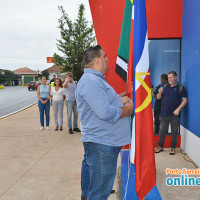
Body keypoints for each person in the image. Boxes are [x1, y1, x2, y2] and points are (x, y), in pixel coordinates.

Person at [76, 45, 133, 200]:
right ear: (97, 60)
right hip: (103, 143)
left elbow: (104, 102)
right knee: (100, 193)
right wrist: (128, 110)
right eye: (105, 56)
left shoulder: (94, 80)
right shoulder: (91, 81)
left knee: (93, 188)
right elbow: (106, 112)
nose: (108, 59)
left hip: (100, 142)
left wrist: (121, 99)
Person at [155, 71, 188, 155]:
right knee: (162, 131)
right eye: (169, 77)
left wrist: (178, 109)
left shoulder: (180, 87)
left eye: (171, 77)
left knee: (174, 131)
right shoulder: (164, 86)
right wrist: (159, 93)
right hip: (164, 113)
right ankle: (160, 147)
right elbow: (158, 98)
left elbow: (185, 100)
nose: (169, 79)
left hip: (175, 114)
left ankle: (173, 148)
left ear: (175, 77)